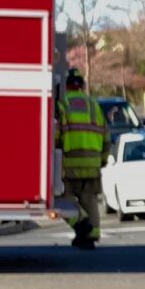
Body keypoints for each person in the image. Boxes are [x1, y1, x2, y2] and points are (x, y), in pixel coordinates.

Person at [56, 68, 108, 250]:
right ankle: (91, 235)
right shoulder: (94, 106)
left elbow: (56, 136)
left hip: (69, 165)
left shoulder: (62, 105)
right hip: (93, 165)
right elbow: (106, 136)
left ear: (66, 85)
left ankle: (81, 224)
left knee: (61, 198)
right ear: (82, 85)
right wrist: (102, 160)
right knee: (90, 200)